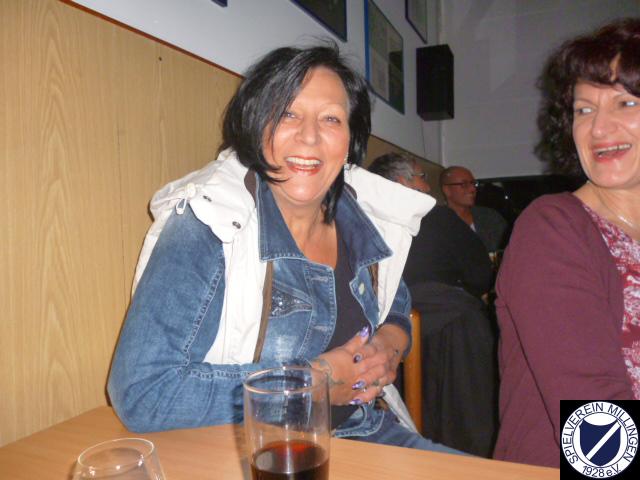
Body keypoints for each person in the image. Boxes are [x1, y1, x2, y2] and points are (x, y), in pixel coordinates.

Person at [107, 43, 463, 454]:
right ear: (255, 125)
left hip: (366, 431)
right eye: (288, 114)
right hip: (255, 451)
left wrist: (389, 343)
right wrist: (311, 383)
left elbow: (395, 303)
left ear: (350, 138)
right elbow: (143, 390)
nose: (309, 135)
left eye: (331, 118)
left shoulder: (364, 218)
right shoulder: (209, 222)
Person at [494, 18, 640, 467]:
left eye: (625, 102)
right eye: (584, 110)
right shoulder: (552, 229)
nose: (599, 128)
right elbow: (597, 432)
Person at [369, 153, 499, 457]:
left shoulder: (363, 219)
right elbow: (481, 274)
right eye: (422, 178)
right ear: (402, 182)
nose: (428, 187)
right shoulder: (436, 216)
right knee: (471, 418)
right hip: (456, 331)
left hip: (392, 336)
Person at [440, 166, 508, 254]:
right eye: (464, 184)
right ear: (447, 190)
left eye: (473, 183)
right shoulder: (437, 222)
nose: (473, 189)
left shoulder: (490, 217)